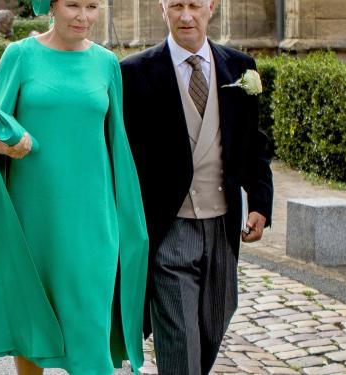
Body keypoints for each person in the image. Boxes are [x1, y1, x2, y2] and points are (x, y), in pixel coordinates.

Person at [0, 0, 148, 375]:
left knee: (90, 333)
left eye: (92, 6)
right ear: (51, 7)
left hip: (93, 222)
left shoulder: (106, 64)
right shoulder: (19, 55)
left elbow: (117, 142)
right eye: (73, 4)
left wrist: (128, 217)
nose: (83, 16)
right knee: (32, 325)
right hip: (33, 217)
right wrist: (2, 143)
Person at [120, 0, 274, 374]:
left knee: (214, 322)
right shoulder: (134, 72)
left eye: (194, 5)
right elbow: (122, 155)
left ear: (211, 7)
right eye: (176, 5)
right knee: (179, 337)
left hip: (223, 225)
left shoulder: (240, 68)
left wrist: (260, 202)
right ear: (162, 9)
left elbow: (255, 143)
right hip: (168, 227)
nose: (185, 15)